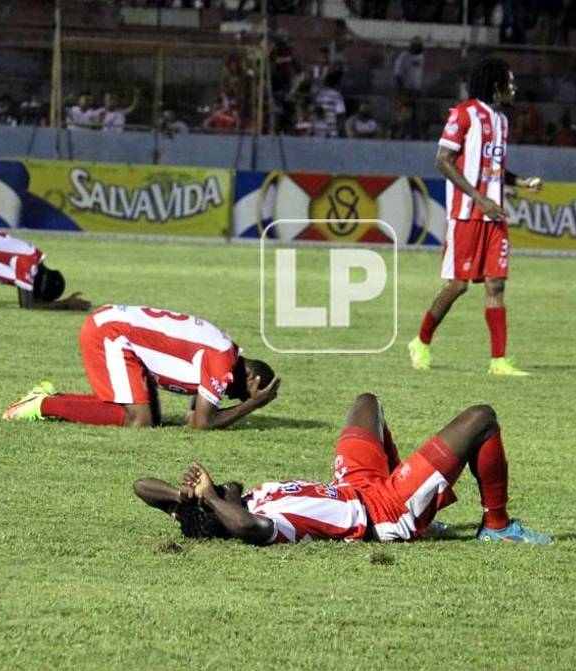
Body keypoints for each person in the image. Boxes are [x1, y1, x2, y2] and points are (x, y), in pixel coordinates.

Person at [134, 393, 551, 545]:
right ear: (220, 512)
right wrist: (208, 496)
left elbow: (141, 486)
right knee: (481, 418)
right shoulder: (265, 521)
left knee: (367, 404)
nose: (218, 483)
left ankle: (423, 503)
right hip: (385, 510)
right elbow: (249, 528)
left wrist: (181, 497)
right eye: (216, 493)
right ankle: (497, 526)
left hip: (357, 484)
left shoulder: (237, 502)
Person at [407, 58, 544, 377]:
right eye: (509, 82)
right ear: (496, 85)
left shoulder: (502, 121)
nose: (514, 88)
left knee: (496, 284)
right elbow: (443, 160)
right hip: (467, 214)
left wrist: (522, 182)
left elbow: (493, 168)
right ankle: (421, 341)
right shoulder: (463, 113)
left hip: (494, 216)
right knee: (458, 285)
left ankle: (499, 361)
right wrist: (479, 198)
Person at [2, 304, 279, 430]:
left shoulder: (226, 352)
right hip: (111, 333)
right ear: (249, 376)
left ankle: (50, 398)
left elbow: (192, 416)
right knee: (139, 420)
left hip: (117, 328)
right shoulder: (223, 361)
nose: (231, 396)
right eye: (240, 393)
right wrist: (252, 405)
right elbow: (201, 424)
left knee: (151, 418)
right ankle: (42, 405)